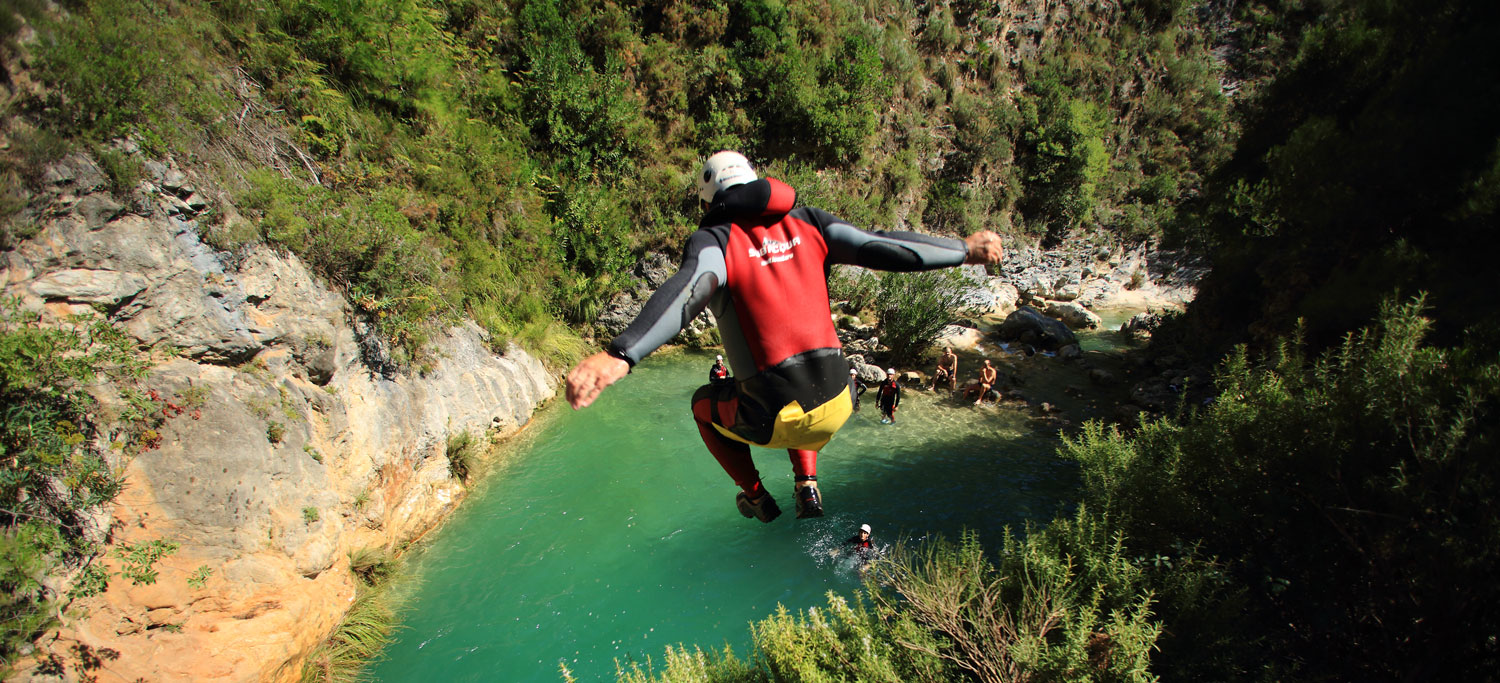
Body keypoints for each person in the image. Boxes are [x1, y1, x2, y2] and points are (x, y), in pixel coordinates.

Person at [565, 151, 1005, 524]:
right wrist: (964, 250)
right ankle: (807, 484)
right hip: (843, 398)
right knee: (799, 391)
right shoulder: (811, 222)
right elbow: (882, 246)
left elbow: (690, 289)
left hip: (775, 416)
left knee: (703, 404)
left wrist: (622, 354)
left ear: (707, 200)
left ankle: (756, 496)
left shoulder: (716, 240)